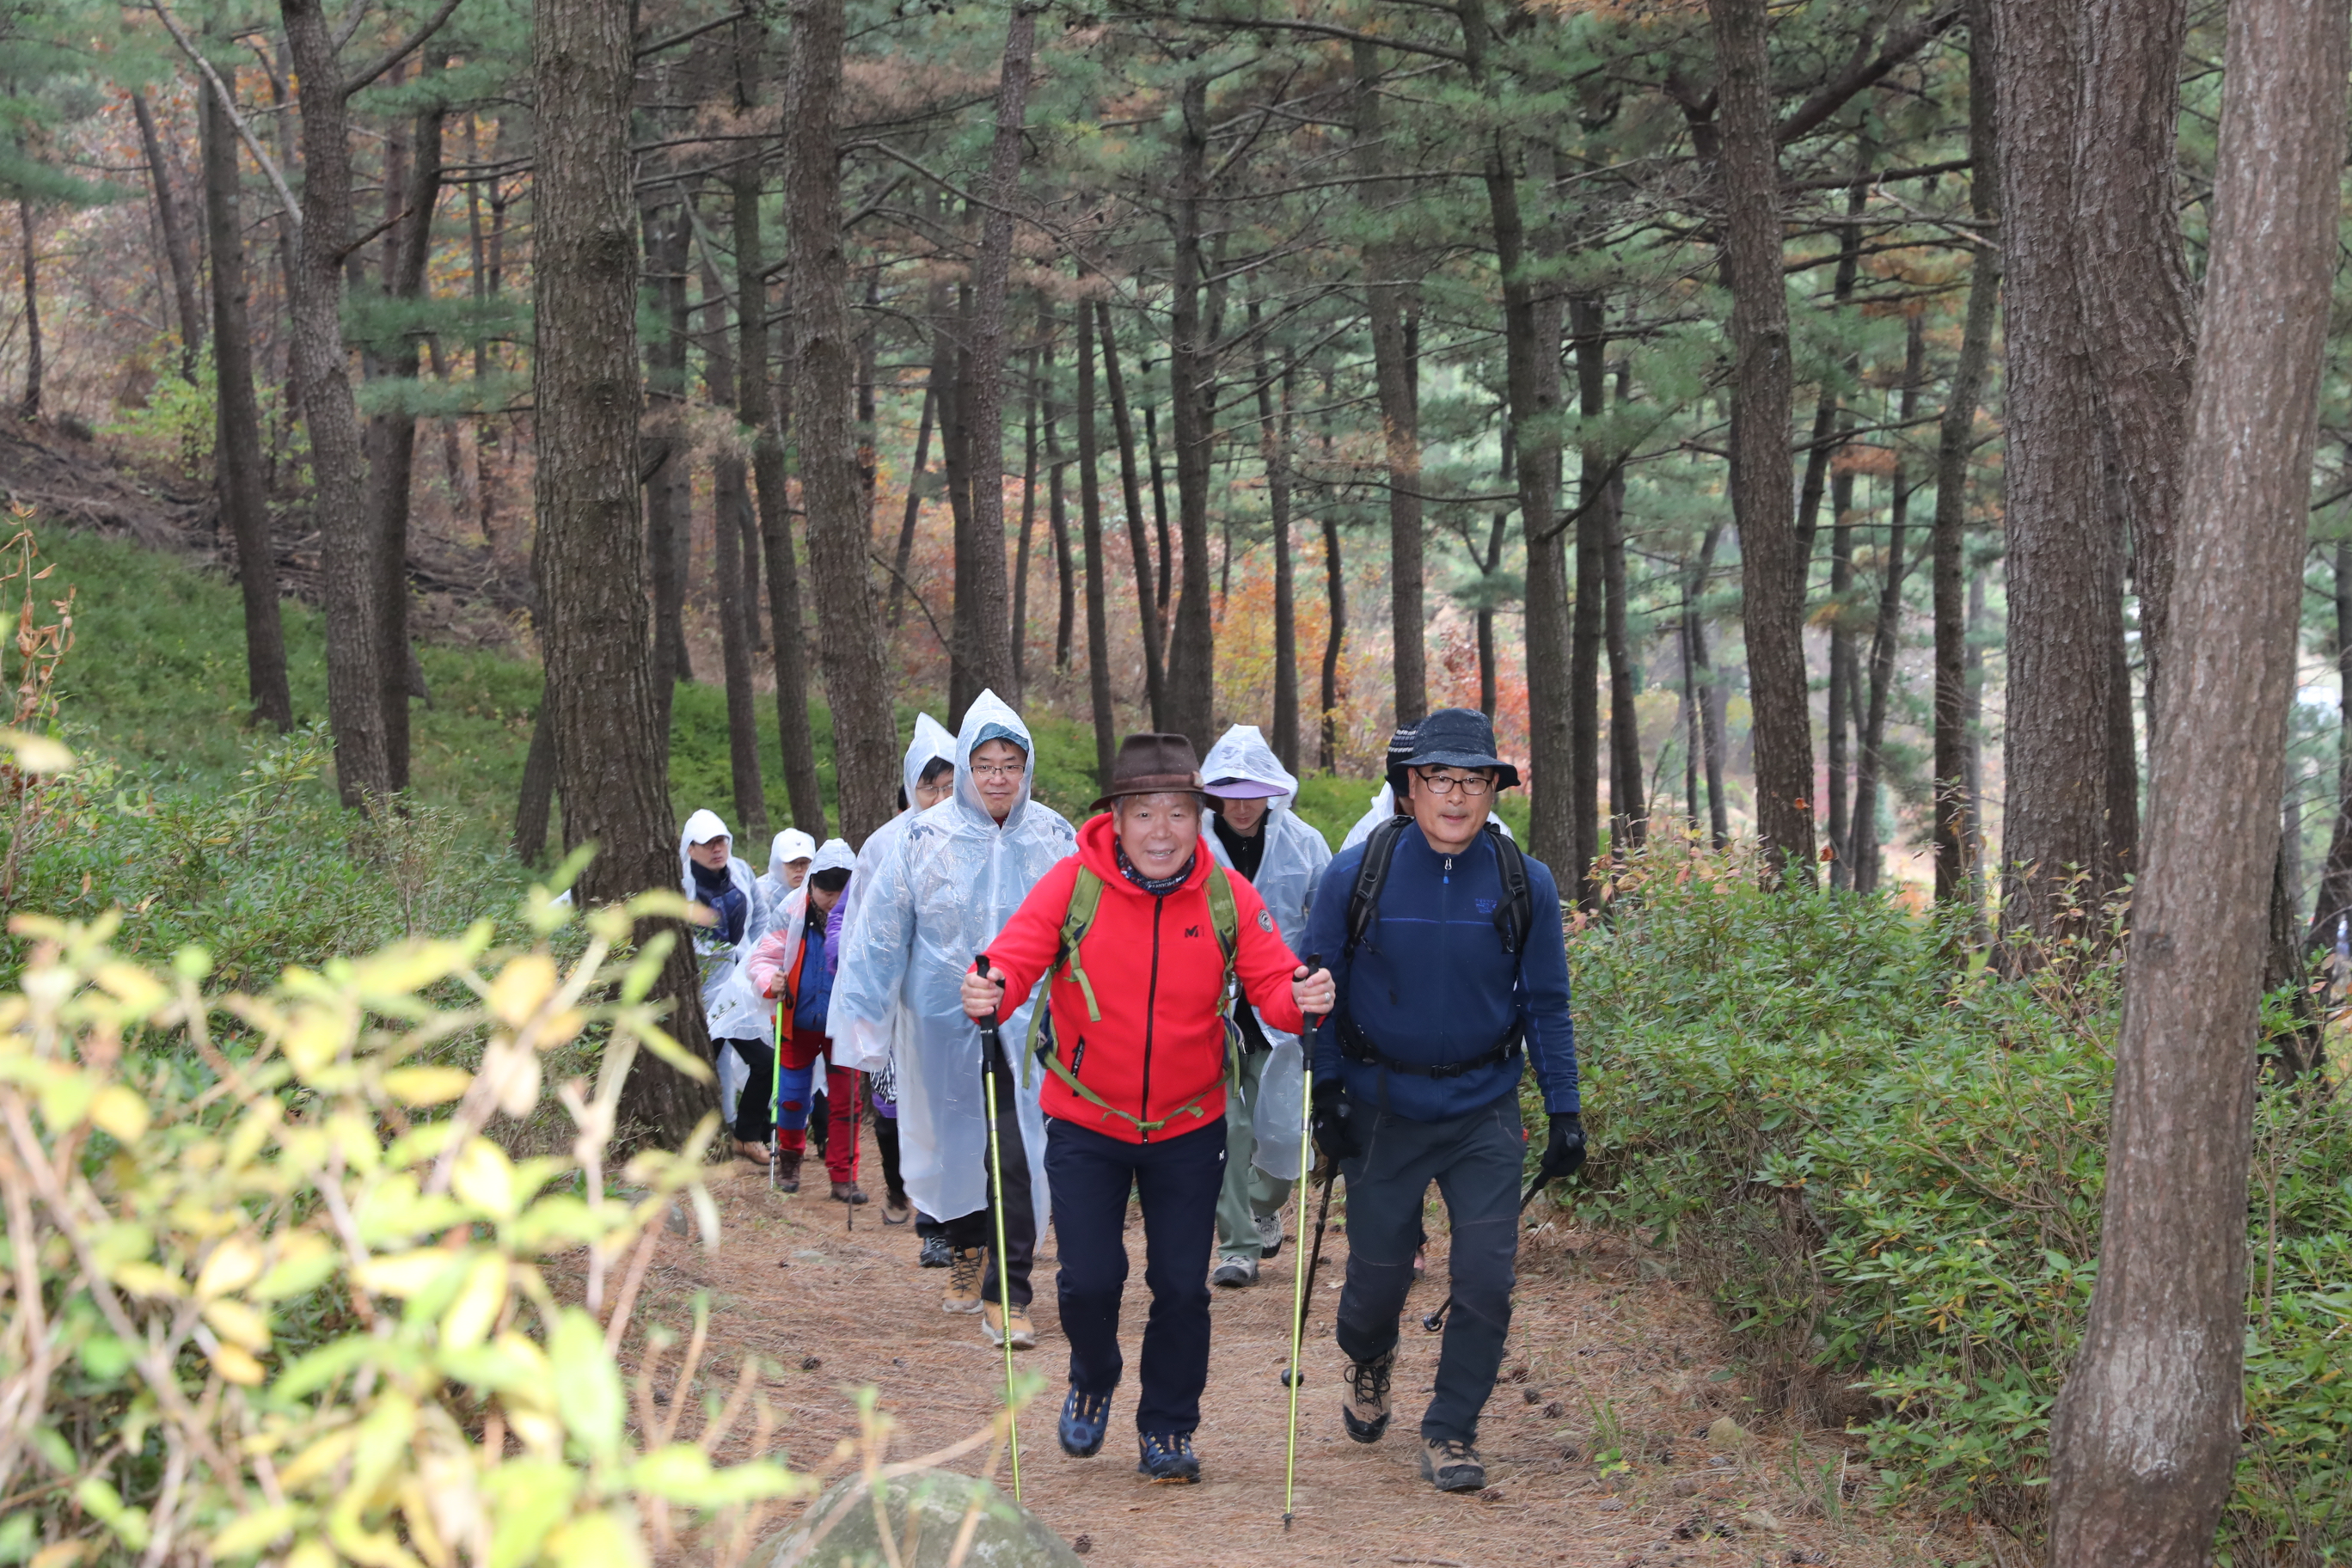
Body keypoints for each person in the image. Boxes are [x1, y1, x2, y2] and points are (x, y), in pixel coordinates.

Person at [965, 732, 1335, 1485]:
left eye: (1177, 813)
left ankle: (1168, 1426)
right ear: (1117, 819)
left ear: (1198, 818)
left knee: (1179, 1286)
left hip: (1189, 1124)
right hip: (1086, 1118)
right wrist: (991, 985)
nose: (1162, 831)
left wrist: (1302, 1000)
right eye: (1144, 813)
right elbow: (1014, 956)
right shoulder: (1074, 885)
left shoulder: (1228, 895)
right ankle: (1093, 1378)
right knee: (1090, 1279)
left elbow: (1270, 983)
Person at [1304, 707, 1583, 1495]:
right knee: (1376, 1282)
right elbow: (1317, 991)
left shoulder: (1525, 882)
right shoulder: (1355, 875)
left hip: (1483, 1111)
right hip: (1381, 1109)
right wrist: (1327, 1091)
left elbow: (1547, 1004)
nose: (1456, 797)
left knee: (1487, 1280)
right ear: (1410, 787)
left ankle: (1452, 1428)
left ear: (1495, 790)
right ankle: (1370, 1356)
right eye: (1439, 780)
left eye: (1474, 781)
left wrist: (1564, 1110)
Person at [830, 691, 1075, 1348]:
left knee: (1019, 1148)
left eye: (1011, 765)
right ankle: (967, 1250)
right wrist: (862, 1027)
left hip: (1026, 1025)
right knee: (956, 1145)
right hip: (940, 1021)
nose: (998, 778)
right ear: (966, 768)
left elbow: (1086, 931)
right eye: (986, 764)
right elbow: (879, 937)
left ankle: (1009, 1288)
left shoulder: (1054, 837)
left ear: (1027, 769)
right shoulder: (922, 838)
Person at [1197, 725, 1332, 1289]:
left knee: (1282, 1134)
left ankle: (1263, 1201)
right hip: (1209, 1013)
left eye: (1253, 790)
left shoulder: (1305, 843)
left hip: (1282, 1010)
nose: (1242, 804)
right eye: (1230, 789)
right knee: (1227, 1130)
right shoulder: (1192, 844)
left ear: (1273, 789)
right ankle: (1237, 1247)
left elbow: (1325, 925)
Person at [829, 714, 957, 1241]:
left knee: (948, 1111)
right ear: (911, 789)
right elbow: (859, 924)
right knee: (891, 1110)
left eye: (951, 785)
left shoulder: (981, 840)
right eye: (930, 786)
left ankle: (937, 1221)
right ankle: (898, 1188)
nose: (940, 796)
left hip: (957, 1002)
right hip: (901, 1001)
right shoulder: (883, 846)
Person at [746, 839, 861, 1197]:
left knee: (847, 1101)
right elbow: (761, 959)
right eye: (824, 890)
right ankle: (790, 1162)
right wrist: (770, 981)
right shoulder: (791, 911)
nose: (831, 899)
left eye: (839, 891)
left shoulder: (864, 912)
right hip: (796, 1021)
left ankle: (844, 1176)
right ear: (811, 885)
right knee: (793, 1097)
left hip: (844, 1026)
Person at [678, 810, 775, 1163]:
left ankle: (747, 1135)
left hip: (739, 987)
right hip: (703, 990)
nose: (717, 849)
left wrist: (753, 953)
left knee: (763, 1061)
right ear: (691, 848)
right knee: (706, 1063)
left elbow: (761, 916)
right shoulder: (681, 883)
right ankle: (711, 1133)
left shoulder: (741, 872)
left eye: (721, 841)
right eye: (707, 844)